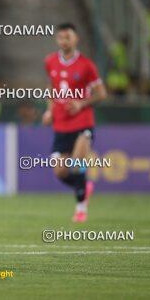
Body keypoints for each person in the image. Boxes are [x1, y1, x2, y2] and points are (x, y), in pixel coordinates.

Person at [42, 22, 107, 222]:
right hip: (61, 124)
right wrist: (49, 110)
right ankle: (83, 187)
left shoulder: (87, 66)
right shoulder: (50, 61)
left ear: (75, 39)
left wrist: (81, 104)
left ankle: (80, 209)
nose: (64, 41)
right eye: (61, 37)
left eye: (67, 37)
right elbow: (51, 88)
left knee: (78, 164)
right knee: (60, 172)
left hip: (82, 122)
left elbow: (101, 94)